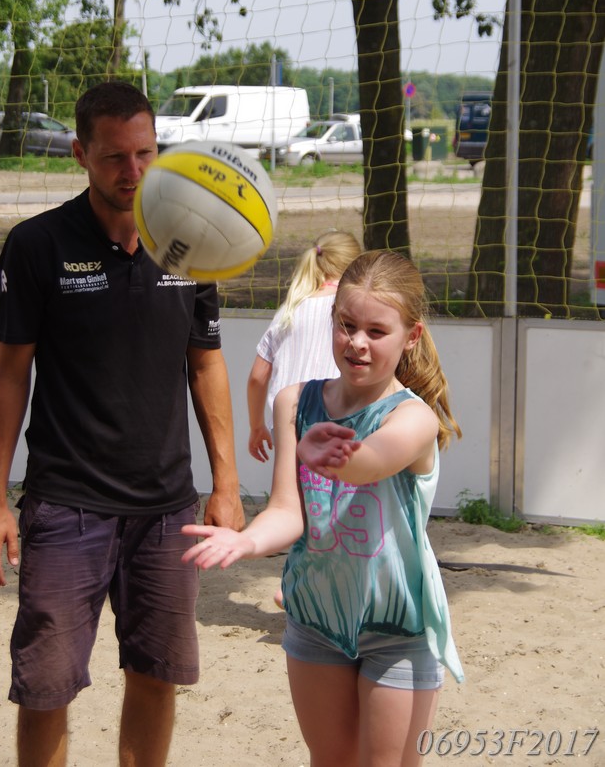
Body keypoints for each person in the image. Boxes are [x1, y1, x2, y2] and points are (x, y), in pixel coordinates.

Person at [0, 80, 245, 767]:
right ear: (80, 154)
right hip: (66, 505)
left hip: (166, 509)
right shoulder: (37, 245)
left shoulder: (187, 240)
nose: (133, 171)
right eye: (114, 156)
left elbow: (206, 363)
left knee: (156, 675)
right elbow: (10, 375)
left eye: (145, 153)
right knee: (45, 687)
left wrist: (226, 483)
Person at [183, 250, 464, 767]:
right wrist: (246, 541)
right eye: (346, 325)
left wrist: (331, 455)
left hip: (399, 627)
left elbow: (371, 462)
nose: (357, 342)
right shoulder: (293, 401)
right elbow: (288, 512)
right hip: (316, 618)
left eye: (376, 331)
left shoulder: (414, 417)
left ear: (411, 336)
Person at [247, 230, 362, 463]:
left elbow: (257, 377)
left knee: (290, 484)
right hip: (339, 420)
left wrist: (257, 426)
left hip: (287, 423)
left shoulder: (288, 310)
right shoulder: (352, 307)